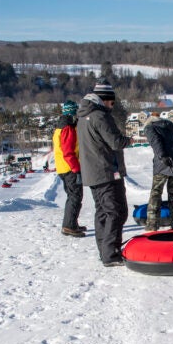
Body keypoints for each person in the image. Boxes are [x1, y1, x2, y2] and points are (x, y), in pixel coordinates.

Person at [78, 79, 133, 266]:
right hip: (107, 172)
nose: (113, 105)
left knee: (103, 211)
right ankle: (111, 254)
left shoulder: (84, 116)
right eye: (112, 101)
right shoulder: (100, 116)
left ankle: (105, 250)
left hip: (93, 173)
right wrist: (129, 140)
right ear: (106, 99)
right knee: (116, 212)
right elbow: (115, 141)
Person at [144, 111, 173, 231]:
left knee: (156, 192)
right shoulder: (168, 127)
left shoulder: (150, 127)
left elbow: (156, 143)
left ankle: (152, 224)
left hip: (165, 161)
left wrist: (163, 157)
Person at [53, 100, 87, 237]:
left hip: (63, 167)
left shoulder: (60, 127)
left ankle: (72, 222)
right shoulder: (68, 128)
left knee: (72, 196)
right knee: (75, 196)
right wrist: (76, 169)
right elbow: (68, 151)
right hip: (69, 168)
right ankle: (69, 226)